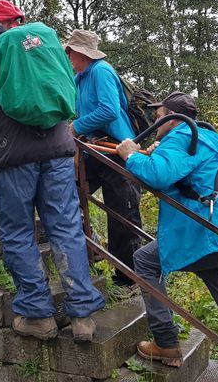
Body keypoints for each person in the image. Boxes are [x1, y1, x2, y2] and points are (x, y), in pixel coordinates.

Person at [0, 8, 105, 342]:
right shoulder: (36, 44)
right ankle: (82, 316)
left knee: (18, 232)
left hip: (14, 155)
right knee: (66, 228)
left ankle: (38, 315)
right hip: (57, 146)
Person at [116, 91, 218, 382]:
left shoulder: (180, 136)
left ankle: (166, 343)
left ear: (171, 116)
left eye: (159, 114)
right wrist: (154, 154)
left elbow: (159, 176)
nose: (155, 119)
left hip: (208, 239)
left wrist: (130, 155)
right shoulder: (208, 137)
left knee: (144, 260)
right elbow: (185, 173)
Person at [65, 29, 143, 287]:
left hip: (116, 150)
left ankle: (128, 280)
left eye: (70, 52)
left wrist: (76, 127)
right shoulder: (79, 79)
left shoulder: (101, 71)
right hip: (93, 150)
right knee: (65, 194)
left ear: (81, 53)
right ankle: (93, 244)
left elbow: (109, 110)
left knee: (122, 213)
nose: (68, 56)